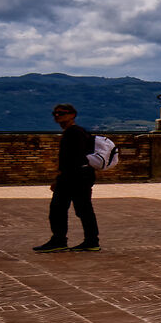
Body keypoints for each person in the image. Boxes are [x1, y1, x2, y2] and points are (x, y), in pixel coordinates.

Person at [37, 103, 101, 253]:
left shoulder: (74, 133)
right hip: (81, 177)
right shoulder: (77, 132)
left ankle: (60, 240)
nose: (58, 116)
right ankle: (90, 241)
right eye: (55, 113)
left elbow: (73, 159)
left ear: (72, 115)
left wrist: (60, 179)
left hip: (74, 178)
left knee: (59, 209)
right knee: (82, 210)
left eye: (61, 113)